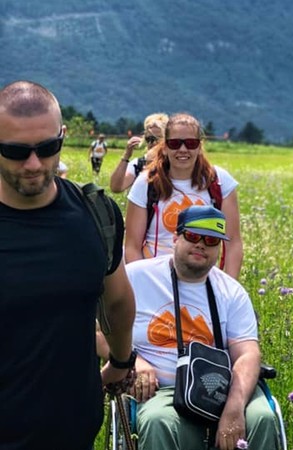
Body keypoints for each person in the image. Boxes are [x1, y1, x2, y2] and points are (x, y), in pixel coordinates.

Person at [0, 80, 137, 449]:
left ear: (62, 137)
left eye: (48, 148)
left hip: (74, 431)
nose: (33, 164)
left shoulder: (96, 214)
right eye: (15, 151)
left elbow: (117, 301)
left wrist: (121, 361)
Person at [126, 205, 280, 450]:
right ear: (175, 237)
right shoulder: (135, 277)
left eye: (210, 240)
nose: (201, 245)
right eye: (192, 236)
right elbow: (99, 333)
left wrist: (234, 406)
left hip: (220, 385)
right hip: (162, 389)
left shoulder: (232, 291)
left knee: (262, 416)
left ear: (219, 248)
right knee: (158, 420)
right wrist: (134, 361)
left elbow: (248, 354)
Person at [124, 112, 243, 279]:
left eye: (191, 143)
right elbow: (132, 246)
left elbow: (233, 243)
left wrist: (227, 288)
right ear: (165, 147)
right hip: (155, 278)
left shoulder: (220, 182)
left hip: (201, 280)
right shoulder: (146, 182)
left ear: (199, 147)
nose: (183, 149)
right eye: (174, 143)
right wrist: (144, 284)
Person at [110, 112, 168, 193]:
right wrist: (126, 157)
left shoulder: (175, 163)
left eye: (157, 139)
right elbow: (116, 188)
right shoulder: (138, 164)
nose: (153, 143)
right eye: (149, 139)